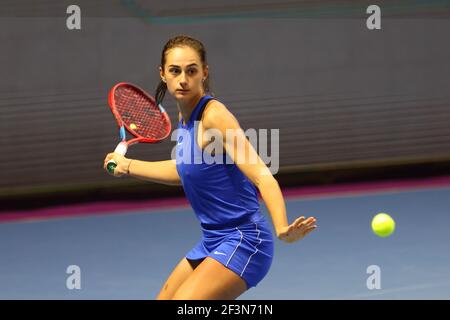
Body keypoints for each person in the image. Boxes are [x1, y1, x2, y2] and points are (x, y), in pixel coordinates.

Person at [103, 35, 317, 300]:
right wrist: (128, 166)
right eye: (175, 71)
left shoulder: (214, 116)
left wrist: (282, 226)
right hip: (212, 240)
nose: (183, 78)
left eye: (191, 70)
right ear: (163, 74)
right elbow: (185, 170)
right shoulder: (185, 115)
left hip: (245, 240)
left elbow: (262, 175)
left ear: (204, 73)